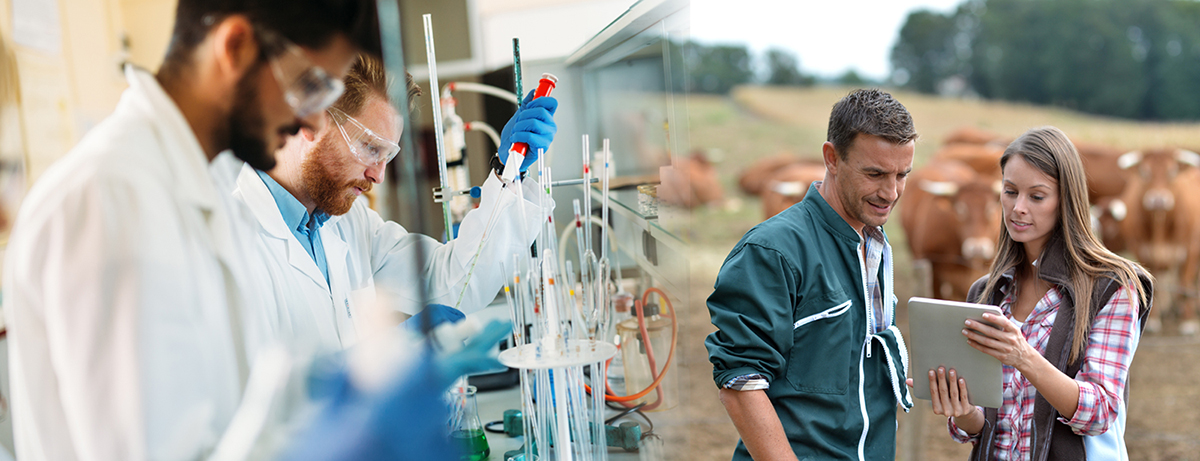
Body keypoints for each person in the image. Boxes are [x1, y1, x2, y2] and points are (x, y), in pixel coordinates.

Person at [2, 1, 500, 459]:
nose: (309, 119)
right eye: (311, 87)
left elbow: (236, 410)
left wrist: (345, 388)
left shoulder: (204, 188)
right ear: (235, 46)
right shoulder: (115, 197)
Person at [233, 55, 555, 350]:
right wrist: (390, 354)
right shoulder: (232, 242)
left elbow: (453, 283)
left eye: (388, 155)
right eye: (371, 148)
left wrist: (505, 172)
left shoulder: (349, 222)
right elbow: (255, 400)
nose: (378, 176)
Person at [705, 88, 917, 460]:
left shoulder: (876, 246)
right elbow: (741, 385)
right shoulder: (772, 251)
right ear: (832, 158)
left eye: (902, 175)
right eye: (875, 174)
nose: (891, 192)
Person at [918, 126, 1153, 461]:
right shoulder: (987, 292)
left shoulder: (1112, 286)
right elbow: (980, 429)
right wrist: (963, 409)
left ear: (1066, 200)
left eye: (1037, 196)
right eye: (1010, 192)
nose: (1018, 208)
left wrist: (1023, 357)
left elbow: (1101, 411)